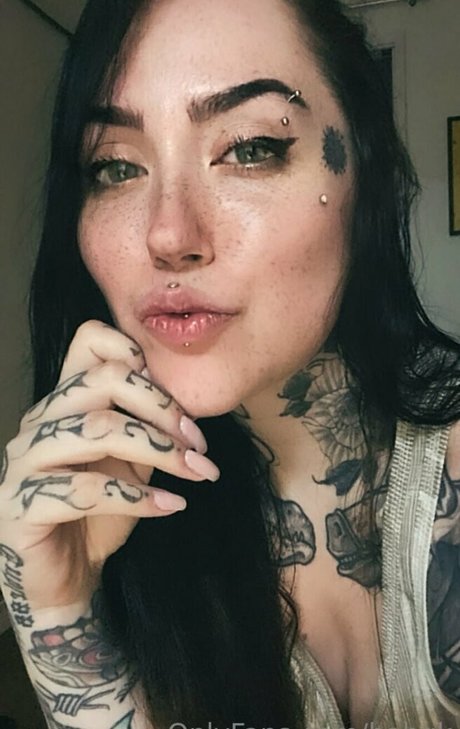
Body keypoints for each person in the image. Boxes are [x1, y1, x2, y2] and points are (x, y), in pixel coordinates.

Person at [1, 0, 460, 727]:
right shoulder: (116, 517)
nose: (168, 233)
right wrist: (58, 613)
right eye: (115, 165)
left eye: (249, 148)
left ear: (366, 176)